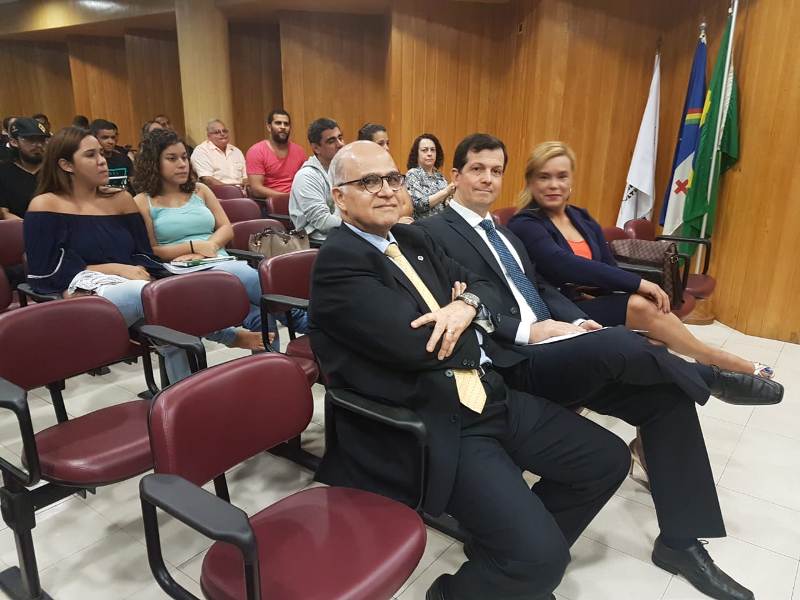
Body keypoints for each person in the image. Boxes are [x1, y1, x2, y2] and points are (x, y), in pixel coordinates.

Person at [418, 133, 782, 600]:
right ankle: (708, 376)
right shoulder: (433, 233)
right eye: (476, 169)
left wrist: (576, 321)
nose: (487, 179)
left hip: (556, 347)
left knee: (666, 396)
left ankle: (680, 543)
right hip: (512, 360)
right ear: (455, 175)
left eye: (495, 170)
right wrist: (530, 330)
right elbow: (457, 310)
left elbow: (542, 289)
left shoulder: (505, 233)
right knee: (622, 342)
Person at [311, 140, 630, 600]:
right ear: (340, 197)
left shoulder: (413, 238)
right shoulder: (339, 262)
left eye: (392, 178)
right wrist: (480, 320)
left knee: (607, 460)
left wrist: (465, 306)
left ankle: (507, 563)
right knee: (541, 560)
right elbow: (420, 345)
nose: (386, 190)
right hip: (433, 419)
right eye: (369, 182)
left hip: (488, 392)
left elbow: (489, 285)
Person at [507, 141, 774, 379]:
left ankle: (698, 367)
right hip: (559, 312)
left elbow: (606, 265)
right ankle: (712, 359)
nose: (554, 185)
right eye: (544, 177)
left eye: (561, 176)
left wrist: (627, 290)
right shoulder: (525, 223)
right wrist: (639, 284)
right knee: (640, 307)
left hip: (589, 303)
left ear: (571, 181)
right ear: (530, 182)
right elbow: (564, 264)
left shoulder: (580, 217)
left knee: (652, 333)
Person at [23, 127, 191, 383]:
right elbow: (44, 270)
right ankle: (228, 339)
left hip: (133, 287)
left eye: (101, 153)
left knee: (175, 303)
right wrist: (115, 268)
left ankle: (183, 392)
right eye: (91, 155)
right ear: (66, 165)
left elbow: (142, 253)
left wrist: (156, 270)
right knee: (158, 299)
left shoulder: (121, 199)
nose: (102, 160)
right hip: (80, 297)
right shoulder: (45, 205)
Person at [132, 128, 267, 350]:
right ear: (153, 163)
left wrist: (209, 246)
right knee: (244, 275)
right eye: (172, 158)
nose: (182, 164)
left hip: (216, 258)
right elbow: (152, 249)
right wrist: (194, 246)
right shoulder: (142, 201)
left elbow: (226, 228)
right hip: (180, 270)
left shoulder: (200, 190)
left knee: (262, 313)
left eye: (184, 157)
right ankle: (301, 316)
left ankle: (272, 361)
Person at [288, 117, 344, 243]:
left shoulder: (343, 170)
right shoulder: (306, 176)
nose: (340, 144)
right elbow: (323, 222)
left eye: (340, 138)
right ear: (316, 148)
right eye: (331, 141)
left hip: (343, 234)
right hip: (317, 242)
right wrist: (360, 225)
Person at [246, 109, 306, 202]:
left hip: (297, 201)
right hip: (268, 204)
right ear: (269, 127)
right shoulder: (256, 151)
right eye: (278, 123)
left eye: (286, 124)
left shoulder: (299, 151)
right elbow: (256, 189)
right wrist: (286, 198)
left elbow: (305, 181)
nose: (283, 127)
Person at [358, 124, 413, 222]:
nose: (387, 148)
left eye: (387, 143)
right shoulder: (359, 174)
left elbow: (406, 206)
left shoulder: (392, 169)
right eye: (381, 144)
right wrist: (394, 222)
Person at [0, 118, 49, 220]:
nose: (38, 145)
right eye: (31, 140)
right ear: (14, 142)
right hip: (18, 227)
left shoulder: (54, 169)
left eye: (42, 140)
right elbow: (4, 213)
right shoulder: (4, 172)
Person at [405, 133, 455, 220]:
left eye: (432, 150)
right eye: (424, 150)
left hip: (442, 223)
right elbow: (419, 204)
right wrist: (446, 191)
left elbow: (447, 205)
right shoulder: (412, 174)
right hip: (423, 225)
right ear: (417, 154)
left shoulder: (440, 177)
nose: (429, 153)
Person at [191, 119, 247, 188]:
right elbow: (207, 180)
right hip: (216, 192)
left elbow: (246, 177)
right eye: (217, 132)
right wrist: (232, 190)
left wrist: (245, 188)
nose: (222, 134)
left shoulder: (236, 151)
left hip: (242, 191)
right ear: (209, 136)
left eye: (224, 131)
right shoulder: (201, 151)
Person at [89, 119, 135, 193]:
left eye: (113, 137)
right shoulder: (90, 162)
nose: (111, 142)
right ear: (94, 138)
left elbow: (135, 185)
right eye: (105, 138)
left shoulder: (124, 159)